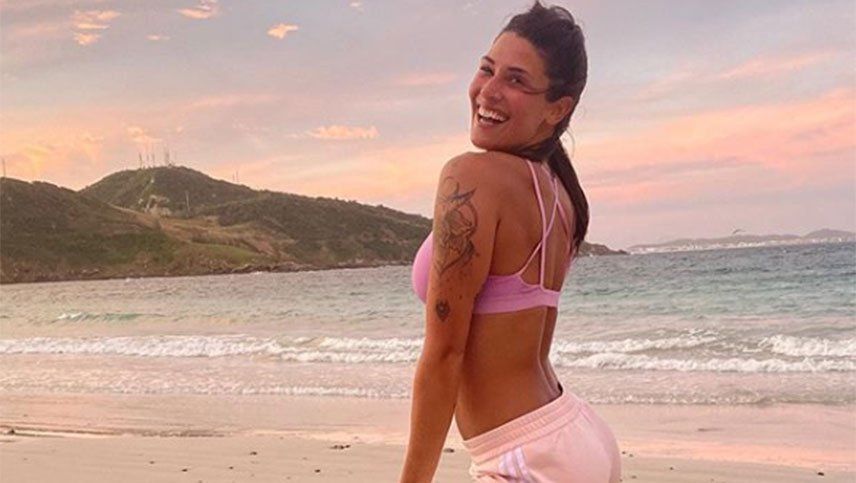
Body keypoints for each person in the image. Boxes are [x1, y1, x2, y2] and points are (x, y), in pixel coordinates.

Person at [399, 1, 621, 482]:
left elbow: (444, 357)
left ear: (557, 109)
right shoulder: (559, 193)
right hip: (573, 434)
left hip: (523, 455)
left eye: (516, 80)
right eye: (487, 69)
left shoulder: (471, 176)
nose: (489, 91)